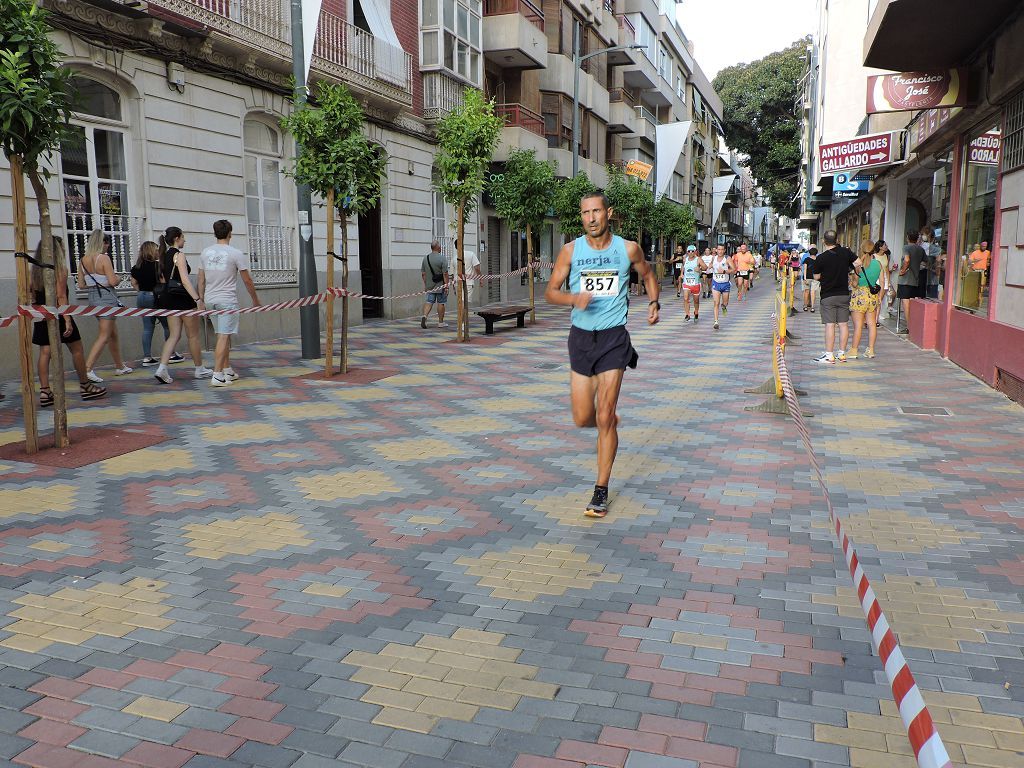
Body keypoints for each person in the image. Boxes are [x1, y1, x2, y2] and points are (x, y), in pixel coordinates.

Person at [544, 190, 659, 518]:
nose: (591, 218)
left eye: (596, 211)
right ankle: (606, 421)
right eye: (585, 213)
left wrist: (653, 303)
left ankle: (601, 488)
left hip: (613, 339)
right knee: (582, 418)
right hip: (581, 339)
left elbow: (649, 275)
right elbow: (550, 291)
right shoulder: (570, 251)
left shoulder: (627, 249)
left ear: (608, 212)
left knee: (605, 415)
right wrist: (573, 299)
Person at [31, 237, 107, 406]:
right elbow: (61, 296)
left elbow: (33, 296)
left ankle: (45, 392)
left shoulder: (35, 270)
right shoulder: (59, 269)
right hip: (58, 313)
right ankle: (85, 386)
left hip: (41, 314)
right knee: (77, 348)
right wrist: (67, 320)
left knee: (45, 353)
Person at [198, 219, 261, 387]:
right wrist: (255, 300)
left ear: (215, 233)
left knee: (221, 336)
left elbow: (201, 279)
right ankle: (217, 375)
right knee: (224, 336)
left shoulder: (205, 253)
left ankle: (227, 370)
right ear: (229, 233)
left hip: (210, 300)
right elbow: (247, 280)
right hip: (227, 300)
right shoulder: (235, 253)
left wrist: (201, 299)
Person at [152, 227, 213, 385]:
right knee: (193, 335)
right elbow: (185, 280)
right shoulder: (179, 255)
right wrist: (198, 299)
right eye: (183, 237)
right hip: (183, 300)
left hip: (169, 299)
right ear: (177, 238)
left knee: (174, 335)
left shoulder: (163, 255)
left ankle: (162, 368)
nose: (185, 240)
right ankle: (199, 368)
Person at [78, 229, 132, 382]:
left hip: (93, 298)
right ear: (103, 243)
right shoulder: (103, 258)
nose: (108, 246)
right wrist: (119, 278)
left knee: (112, 333)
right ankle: (87, 369)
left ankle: (120, 366)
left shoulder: (82, 260)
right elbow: (113, 281)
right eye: (107, 243)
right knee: (104, 335)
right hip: (107, 298)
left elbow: (81, 285)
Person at [813, 229, 860, 364]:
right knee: (843, 324)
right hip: (844, 294)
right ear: (837, 240)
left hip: (828, 295)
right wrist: (850, 271)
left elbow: (816, 277)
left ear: (823, 241)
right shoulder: (846, 252)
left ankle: (829, 355)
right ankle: (842, 354)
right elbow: (858, 263)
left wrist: (827, 275)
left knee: (830, 325)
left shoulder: (821, 258)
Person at [130, 241, 170, 367]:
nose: (158, 252)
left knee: (147, 328)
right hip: (155, 297)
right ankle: (171, 353)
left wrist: (142, 292)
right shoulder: (158, 266)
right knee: (167, 326)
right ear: (152, 251)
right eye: (156, 250)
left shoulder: (137, 267)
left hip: (141, 296)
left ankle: (147, 357)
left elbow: (133, 282)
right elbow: (163, 283)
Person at [848, 238, 882, 360]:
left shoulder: (857, 265)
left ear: (862, 249)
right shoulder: (878, 264)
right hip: (872, 295)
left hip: (859, 295)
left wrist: (852, 281)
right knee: (872, 324)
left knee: (858, 325)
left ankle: (853, 350)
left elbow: (855, 284)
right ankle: (871, 350)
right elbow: (881, 282)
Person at [896, 229, 927, 333]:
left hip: (905, 279)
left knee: (906, 303)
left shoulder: (906, 247)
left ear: (907, 238)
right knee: (913, 304)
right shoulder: (920, 249)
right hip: (915, 279)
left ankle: (909, 326)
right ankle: (913, 324)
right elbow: (925, 262)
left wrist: (903, 270)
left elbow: (907, 259)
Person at [420, 240, 449, 328]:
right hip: (440, 285)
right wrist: (446, 286)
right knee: (441, 303)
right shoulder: (442, 258)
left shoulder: (426, 258)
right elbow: (445, 274)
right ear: (438, 247)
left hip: (430, 286)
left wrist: (426, 285)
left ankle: (424, 316)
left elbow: (423, 274)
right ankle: (440, 322)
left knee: (429, 302)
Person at [450, 238, 482, 306]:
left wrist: (453, 288)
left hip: (457, 283)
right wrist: (481, 279)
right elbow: (477, 268)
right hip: (468, 282)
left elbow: (452, 275)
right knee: (464, 303)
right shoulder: (471, 254)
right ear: (463, 245)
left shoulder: (453, 259)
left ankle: (462, 316)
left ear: (455, 247)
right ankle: (462, 316)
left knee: (461, 302)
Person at [710, 244, 734, 331]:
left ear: (724, 250)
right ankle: (716, 321)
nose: (720, 251)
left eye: (722, 249)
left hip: (725, 283)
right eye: (718, 249)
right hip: (716, 283)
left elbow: (734, 269)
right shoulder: (714, 258)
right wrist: (709, 267)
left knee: (725, 302)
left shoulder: (727, 258)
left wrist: (724, 271)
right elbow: (710, 265)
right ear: (716, 250)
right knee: (716, 302)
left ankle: (724, 307)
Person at [680, 245, 705, 322]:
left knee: (696, 301)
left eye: (692, 251)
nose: (690, 253)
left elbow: (705, 267)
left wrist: (700, 269)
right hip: (686, 282)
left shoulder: (698, 259)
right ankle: (687, 315)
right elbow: (683, 266)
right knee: (686, 298)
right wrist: (681, 273)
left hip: (695, 283)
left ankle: (696, 312)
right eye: (689, 251)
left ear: (695, 252)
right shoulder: (685, 259)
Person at [801, 247, 819, 312]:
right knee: (813, 292)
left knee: (806, 291)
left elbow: (805, 269)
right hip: (815, 278)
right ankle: (812, 307)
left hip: (807, 277)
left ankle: (805, 306)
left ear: (809, 253)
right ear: (816, 253)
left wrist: (805, 278)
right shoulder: (818, 260)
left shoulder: (807, 259)